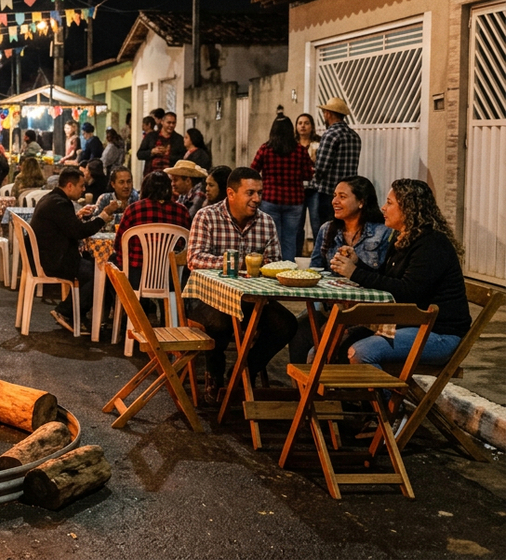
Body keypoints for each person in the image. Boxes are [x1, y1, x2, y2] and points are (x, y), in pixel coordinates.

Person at [330, 179, 471, 371]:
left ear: (408, 208)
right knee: (326, 347)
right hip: (410, 325)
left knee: (361, 352)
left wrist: (354, 273)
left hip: (438, 333)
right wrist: (358, 264)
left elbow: (407, 291)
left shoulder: (431, 244)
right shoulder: (401, 237)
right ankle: (356, 400)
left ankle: (387, 401)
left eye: (389, 203)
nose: (383, 208)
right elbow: (387, 279)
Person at [186, 166, 296, 403]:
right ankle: (214, 376)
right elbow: (194, 259)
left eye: (259, 192)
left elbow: (275, 263)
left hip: (252, 301)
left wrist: (270, 267)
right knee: (221, 321)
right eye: (250, 193)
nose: (257, 198)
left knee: (286, 325)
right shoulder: (207, 216)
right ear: (231, 193)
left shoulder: (266, 222)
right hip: (207, 298)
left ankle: (244, 370)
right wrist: (236, 263)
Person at [286, 175, 394, 364]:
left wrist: (355, 265)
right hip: (330, 306)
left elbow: (385, 277)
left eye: (342, 197)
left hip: (365, 311)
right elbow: (315, 271)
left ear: (361, 202)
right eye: (335, 196)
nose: (334, 201)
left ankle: (322, 386)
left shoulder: (383, 232)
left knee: (322, 348)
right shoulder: (327, 230)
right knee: (299, 329)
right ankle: (301, 389)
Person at [31, 166, 120, 327]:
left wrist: (77, 216)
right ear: (70, 186)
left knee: (97, 267)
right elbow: (79, 232)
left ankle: (81, 314)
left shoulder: (52, 199)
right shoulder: (60, 204)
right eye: (81, 186)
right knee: (100, 274)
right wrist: (104, 215)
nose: (84, 189)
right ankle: (66, 311)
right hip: (56, 260)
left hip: (50, 255)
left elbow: (66, 226)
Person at [110, 171, 189, 320]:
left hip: (136, 277)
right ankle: (168, 321)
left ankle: (130, 319)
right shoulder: (181, 211)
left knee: (112, 262)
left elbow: (119, 244)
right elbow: (186, 247)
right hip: (170, 277)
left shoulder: (134, 209)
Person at [251, 115, 314, 261]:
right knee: (289, 239)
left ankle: (273, 269)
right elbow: (308, 175)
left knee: (272, 238)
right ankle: (288, 269)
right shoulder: (300, 150)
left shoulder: (265, 149)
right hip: (294, 200)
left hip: (270, 199)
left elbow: (253, 170)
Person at [309, 98, 361, 241]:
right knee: (343, 231)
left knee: (325, 232)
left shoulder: (330, 135)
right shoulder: (354, 136)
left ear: (328, 114)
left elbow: (321, 168)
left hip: (328, 193)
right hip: (349, 193)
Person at [296, 112, 323, 254]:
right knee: (297, 224)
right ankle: (297, 253)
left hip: (314, 188)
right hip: (298, 189)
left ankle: (318, 254)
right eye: (300, 123)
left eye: (306, 123)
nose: (303, 126)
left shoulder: (318, 143)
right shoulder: (293, 144)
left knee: (316, 222)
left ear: (312, 126)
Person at [136, 110, 185, 178]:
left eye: (173, 123)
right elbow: (139, 154)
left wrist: (169, 155)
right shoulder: (151, 136)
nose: (171, 125)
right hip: (151, 176)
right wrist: (152, 152)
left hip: (170, 177)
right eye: (168, 123)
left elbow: (183, 159)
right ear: (162, 122)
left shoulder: (179, 139)